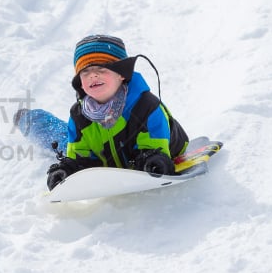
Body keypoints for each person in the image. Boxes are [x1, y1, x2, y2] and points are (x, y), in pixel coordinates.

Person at [45, 34, 189, 191]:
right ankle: (30, 118)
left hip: (159, 151)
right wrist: (67, 171)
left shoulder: (146, 107)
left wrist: (154, 161)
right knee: (55, 136)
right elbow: (81, 158)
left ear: (121, 74)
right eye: (85, 72)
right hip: (106, 156)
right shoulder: (79, 116)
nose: (93, 75)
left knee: (60, 135)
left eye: (101, 68)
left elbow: (154, 148)